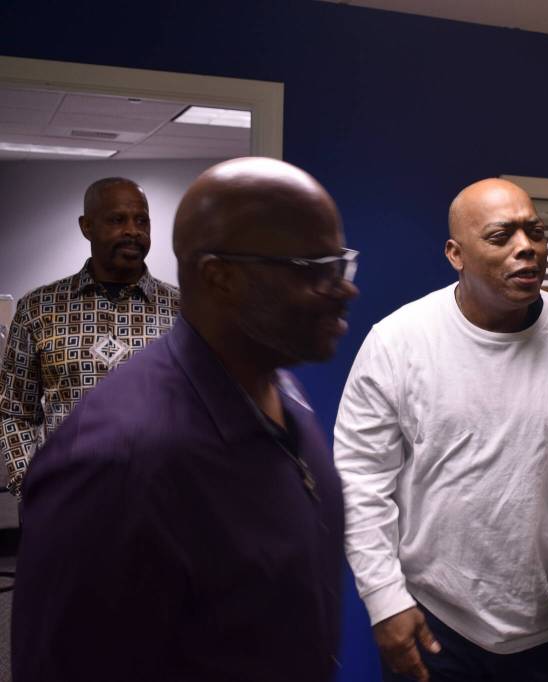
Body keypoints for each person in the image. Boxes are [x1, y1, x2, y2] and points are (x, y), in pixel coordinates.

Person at [12, 157, 358, 681]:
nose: (345, 290)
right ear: (221, 277)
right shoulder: (113, 463)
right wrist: (32, 485)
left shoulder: (281, 391)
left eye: (341, 263)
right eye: (313, 269)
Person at [334, 178, 548, 681]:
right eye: (501, 236)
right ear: (456, 254)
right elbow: (360, 481)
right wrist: (383, 599)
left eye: (535, 232)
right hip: (435, 622)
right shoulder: (397, 342)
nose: (526, 247)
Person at [0, 177, 180, 498]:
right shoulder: (39, 308)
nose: (133, 230)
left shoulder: (183, 311)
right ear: (87, 227)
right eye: (117, 219)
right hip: (65, 501)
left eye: (141, 221)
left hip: (160, 503)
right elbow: (15, 411)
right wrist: (30, 486)